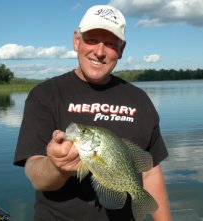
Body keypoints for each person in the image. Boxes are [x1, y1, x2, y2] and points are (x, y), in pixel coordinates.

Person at [14, 4, 171, 221]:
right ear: (76, 41)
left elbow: (151, 172)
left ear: (122, 49)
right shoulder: (46, 95)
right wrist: (55, 166)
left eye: (110, 43)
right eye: (91, 40)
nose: (99, 51)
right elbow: (36, 175)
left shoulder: (140, 100)